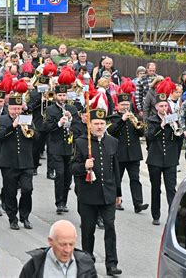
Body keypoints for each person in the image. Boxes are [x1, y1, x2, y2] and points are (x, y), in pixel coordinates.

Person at [71, 109, 122, 276]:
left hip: (108, 193)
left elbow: (116, 170)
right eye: (96, 124)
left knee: (110, 227)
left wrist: (118, 193)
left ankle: (111, 263)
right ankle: (87, 259)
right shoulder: (80, 142)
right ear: (89, 125)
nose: (99, 127)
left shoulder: (113, 142)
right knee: (88, 229)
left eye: (102, 123)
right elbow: (72, 167)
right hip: (88, 193)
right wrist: (83, 166)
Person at [0, 94, 36, 230]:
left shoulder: (28, 119)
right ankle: (13, 218)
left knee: (27, 189)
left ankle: (25, 216)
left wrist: (31, 131)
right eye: (13, 109)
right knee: (10, 192)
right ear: (8, 108)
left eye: (19, 109)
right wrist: (12, 126)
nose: (16, 112)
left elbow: (37, 137)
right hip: (8, 162)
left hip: (26, 161)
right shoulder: (2, 119)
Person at [146, 89, 183, 226]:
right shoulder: (151, 120)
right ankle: (156, 215)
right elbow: (149, 137)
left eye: (165, 105)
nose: (163, 108)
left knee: (171, 189)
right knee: (156, 188)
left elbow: (178, 141)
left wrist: (177, 130)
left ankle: (172, 217)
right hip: (155, 159)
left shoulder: (173, 118)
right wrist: (161, 127)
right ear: (156, 107)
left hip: (170, 159)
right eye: (161, 106)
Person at [107, 93, 149, 213]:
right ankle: (117, 201)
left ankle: (138, 203)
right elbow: (111, 131)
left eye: (127, 104)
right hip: (119, 154)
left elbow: (142, 133)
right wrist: (123, 119)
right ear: (118, 105)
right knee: (117, 179)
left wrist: (138, 127)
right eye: (123, 104)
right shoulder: (113, 118)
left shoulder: (134, 117)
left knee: (135, 179)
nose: (125, 106)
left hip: (133, 154)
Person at [43, 83, 80, 214]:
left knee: (68, 177)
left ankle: (64, 201)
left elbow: (78, 128)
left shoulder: (72, 109)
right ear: (56, 96)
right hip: (56, 147)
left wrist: (70, 120)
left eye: (64, 95)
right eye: (60, 95)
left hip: (70, 148)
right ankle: (59, 203)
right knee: (60, 175)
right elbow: (46, 128)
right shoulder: (50, 110)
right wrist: (59, 123)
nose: (62, 98)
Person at [19, 220, 97, 278]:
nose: (67, 250)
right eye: (62, 245)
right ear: (50, 241)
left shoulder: (86, 264)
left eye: (71, 244)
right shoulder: (34, 266)